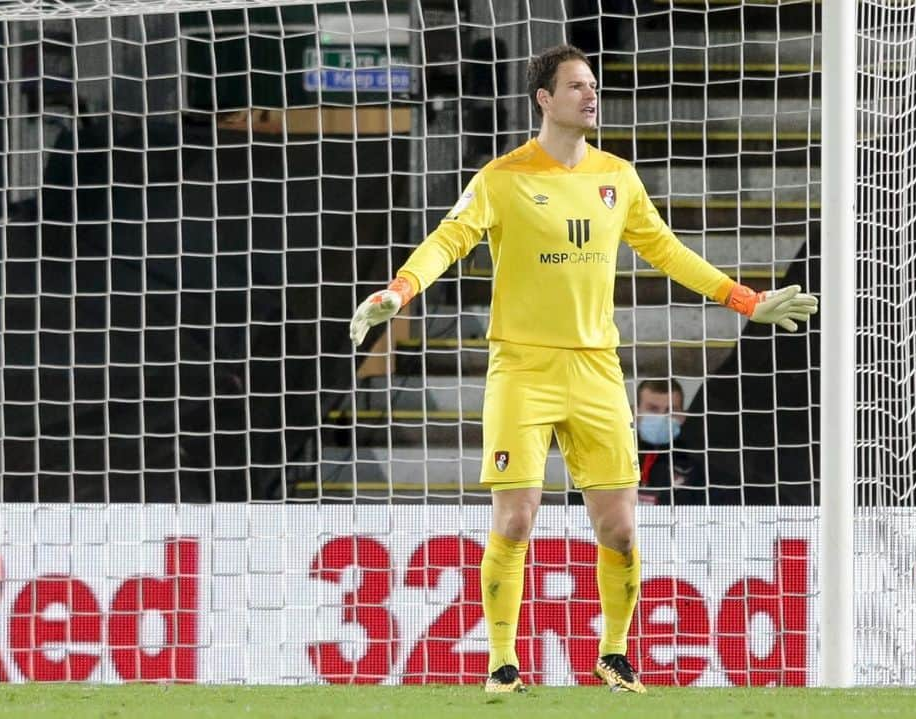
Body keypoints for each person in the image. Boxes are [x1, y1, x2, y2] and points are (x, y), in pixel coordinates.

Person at [349, 44, 818, 693]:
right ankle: (503, 660)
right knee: (516, 517)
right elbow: (449, 240)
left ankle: (615, 652)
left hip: (596, 367)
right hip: (522, 367)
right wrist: (398, 291)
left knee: (621, 526)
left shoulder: (617, 177)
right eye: (576, 86)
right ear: (543, 98)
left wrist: (746, 299)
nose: (590, 95)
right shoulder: (502, 177)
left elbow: (669, 253)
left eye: (593, 85)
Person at [635, 379, 706, 506]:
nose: (662, 417)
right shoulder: (616, 459)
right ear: (635, 412)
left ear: (682, 417)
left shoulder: (698, 468)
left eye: (670, 411)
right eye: (653, 409)